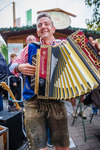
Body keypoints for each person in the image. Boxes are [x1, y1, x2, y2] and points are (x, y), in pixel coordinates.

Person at [10, 12, 100, 150]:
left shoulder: (65, 46)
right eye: (40, 25)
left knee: (63, 145)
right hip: (33, 102)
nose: (43, 26)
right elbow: (11, 66)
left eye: (47, 24)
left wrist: (94, 51)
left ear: (53, 29)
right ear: (37, 31)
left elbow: (86, 62)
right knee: (38, 146)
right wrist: (19, 66)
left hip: (56, 101)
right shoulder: (30, 47)